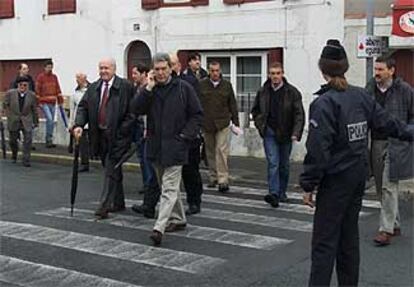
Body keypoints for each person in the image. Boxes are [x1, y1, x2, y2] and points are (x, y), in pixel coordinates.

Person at [300, 39, 414, 287]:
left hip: (335, 182)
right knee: (348, 240)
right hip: (356, 178)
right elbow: (388, 123)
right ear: (345, 67)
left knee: (324, 244)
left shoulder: (324, 103)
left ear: (323, 69)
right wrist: (409, 131)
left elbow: (318, 150)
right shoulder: (360, 96)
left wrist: (308, 184)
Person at [134, 53, 203, 246]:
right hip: (156, 147)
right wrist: (147, 88)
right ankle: (179, 219)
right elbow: (136, 109)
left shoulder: (183, 88)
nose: (161, 73)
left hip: (176, 146)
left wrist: (185, 136)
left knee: (170, 188)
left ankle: (159, 226)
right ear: (152, 71)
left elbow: (197, 114)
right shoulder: (151, 90)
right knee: (167, 188)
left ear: (170, 69)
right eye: (157, 69)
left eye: (164, 68)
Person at [73, 58, 135, 220]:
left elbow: (133, 111)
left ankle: (104, 205)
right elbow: (83, 107)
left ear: (114, 69)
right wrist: (79, 124)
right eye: (101, 68)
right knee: (113, 168)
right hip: (99, 136)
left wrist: (123, 131)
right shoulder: (94, 88)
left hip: (118, 136)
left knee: (110, 168)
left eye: (106, 68)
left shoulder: (125, 87)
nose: (103, 71)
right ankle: (119, 202)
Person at [366, 56, 414, 246]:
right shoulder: (369, 89)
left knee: (388, 185)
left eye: (380, 69)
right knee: (380, 186)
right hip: (376, 142)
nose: (376, 73)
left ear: (391, 70)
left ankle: (385, 230)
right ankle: (394, 224)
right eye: (375, 69)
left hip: (396, 142)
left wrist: (408, 133)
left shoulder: (405, 90)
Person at [251, 62, 305, 207]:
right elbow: (255, 110)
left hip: (286, 132)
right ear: (269, 74)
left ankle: (282, 192)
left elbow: (299, 114)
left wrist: (296, 132)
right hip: (269, 131)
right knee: (273, 162)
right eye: (272, 73)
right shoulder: (263, 91)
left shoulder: (292, 92)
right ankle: (273, 193)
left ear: (282, 74)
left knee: (284, 165)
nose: (275, 76)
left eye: (278, 73)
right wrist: (260, 124)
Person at [199, 61, 241, 192]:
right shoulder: (202, 85)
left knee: (221, 150)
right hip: (207, 123)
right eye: (212, 70)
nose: (215, 73)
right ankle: (213, 177)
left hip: (223, 123)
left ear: (220, 71)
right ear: (209, 71)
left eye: (217, 70)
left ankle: (223, 179)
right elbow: (197, 104)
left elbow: (232, 104)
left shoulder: (226, 85)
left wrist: (236, 122)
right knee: (210, 151)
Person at [130, 63, 161, 219]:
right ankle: (148, 206)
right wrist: (148, 88)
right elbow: (136, 108)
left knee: (161, 178)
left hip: (165, 139)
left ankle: (171, 217)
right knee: (152, 174)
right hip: (149, 136)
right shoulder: (147, 90)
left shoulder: (173, 88)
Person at [180, 52, 208, 215]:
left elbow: (198, 110)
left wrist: (194, 131)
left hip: (190, 135)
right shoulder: (164, 85)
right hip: (173, 136)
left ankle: (194, 201)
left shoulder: (192, 82)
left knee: (191, 170)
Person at [3, 76, 38, 167]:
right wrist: (7, 115)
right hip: (14, 120)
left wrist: (35, 121)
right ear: (17, 85)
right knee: (13, 140)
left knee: (28, 140)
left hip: (27, 120)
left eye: (25, 85)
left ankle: (26, 160)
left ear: (28, 86)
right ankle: (14, 154)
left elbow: (34, 109)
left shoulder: (32, 95)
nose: (23, 86)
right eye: (21, 85)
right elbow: (4, 105)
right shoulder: (10, 93)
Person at [35, 60, 63, 148]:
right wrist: (38, 101)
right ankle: (48, 139)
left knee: (50, 121)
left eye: (51, 67)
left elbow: (58, 89)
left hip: (53, 102)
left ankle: (49, 139)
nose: (50, 69)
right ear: (45, 67)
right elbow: (37, 89)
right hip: (44, 102)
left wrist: (60, 101)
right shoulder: (40, 77)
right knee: (50, 119)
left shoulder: (54, 77)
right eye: (48, 67)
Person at [68, 73, 90, 172]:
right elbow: (73, 110)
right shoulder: (75, 94)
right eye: (76, 78)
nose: (77, 80)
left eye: (79, 78)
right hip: (81, 124)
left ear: (84, 79)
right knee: (83, 145)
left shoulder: (91, 91)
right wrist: (71, 124)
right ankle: (85, 163)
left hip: (91, 122)